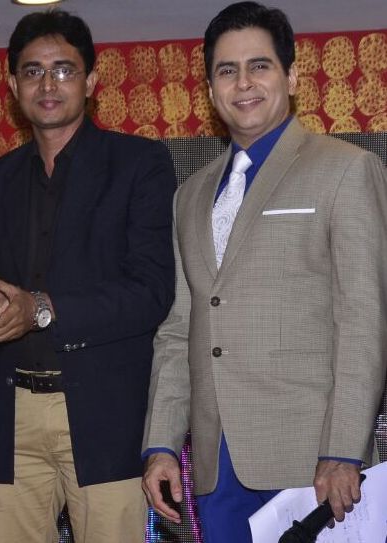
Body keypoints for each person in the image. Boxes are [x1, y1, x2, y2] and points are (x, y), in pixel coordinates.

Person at [141, 3, 387, 541]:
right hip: (215, 465)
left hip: (313, 462)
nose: (243, 82)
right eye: (227, 70)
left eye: (260, 66)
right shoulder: (189, 195)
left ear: (292, 76)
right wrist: (161, 443)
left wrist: (342, 449)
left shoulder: (346, 168)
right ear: (210, 90)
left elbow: (363, 319)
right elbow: (179, 329)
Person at [0, 9, 176, 543]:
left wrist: (41, 307)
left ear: (91, 82)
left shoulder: (139, 163)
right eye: (32, 71)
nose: (48, 84)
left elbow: (152, 292)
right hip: (11, 412)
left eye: (64, 70)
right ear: (12, 85)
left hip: (105, 412)